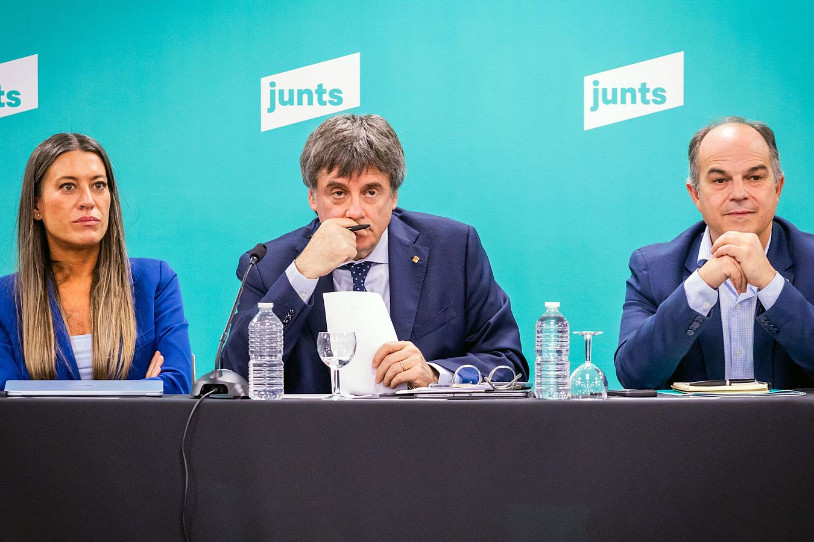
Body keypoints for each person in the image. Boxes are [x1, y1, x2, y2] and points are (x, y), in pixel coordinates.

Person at [222, 114, 527, 392]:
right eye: (338, 192)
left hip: (425, 431)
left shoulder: (454, 249)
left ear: (393, 196)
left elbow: (508, 364)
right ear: (313, 197)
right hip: (314, 433)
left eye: (371, 192)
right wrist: (302, 274)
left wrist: (435, 375)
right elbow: (236, 375)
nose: (355, 211)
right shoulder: (269, 265)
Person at [615, 117, 814, 389]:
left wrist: (771, 285)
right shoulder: (652, 269)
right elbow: (634, 375)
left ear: (777, 187)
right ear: (695, 194)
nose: (739, 193)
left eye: (755, 177)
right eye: (720, 180)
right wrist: (701, 285)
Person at [0, 133, 192, 393]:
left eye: (99, 185)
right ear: (37, 205)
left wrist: (41, 396)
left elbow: (176, 384)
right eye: (68, 186)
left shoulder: (155, 280)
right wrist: (140, 390)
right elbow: (8, 404)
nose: (88, 201)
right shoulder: (4, 299)